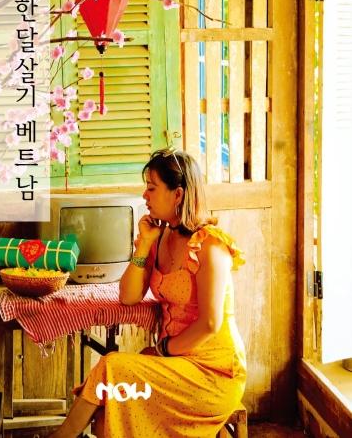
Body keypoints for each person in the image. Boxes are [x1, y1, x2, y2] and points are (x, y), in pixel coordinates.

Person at [50, 149, 246, 438]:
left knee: (111, 365)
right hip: (174, 363)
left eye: (152, 188)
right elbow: (128, 296)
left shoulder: (210, 246)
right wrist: (144, 245)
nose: (144, 195)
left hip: (212, 374)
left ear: (177, 195)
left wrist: (164, 350)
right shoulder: (160, 236)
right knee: (107, 408)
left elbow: (209, 323)